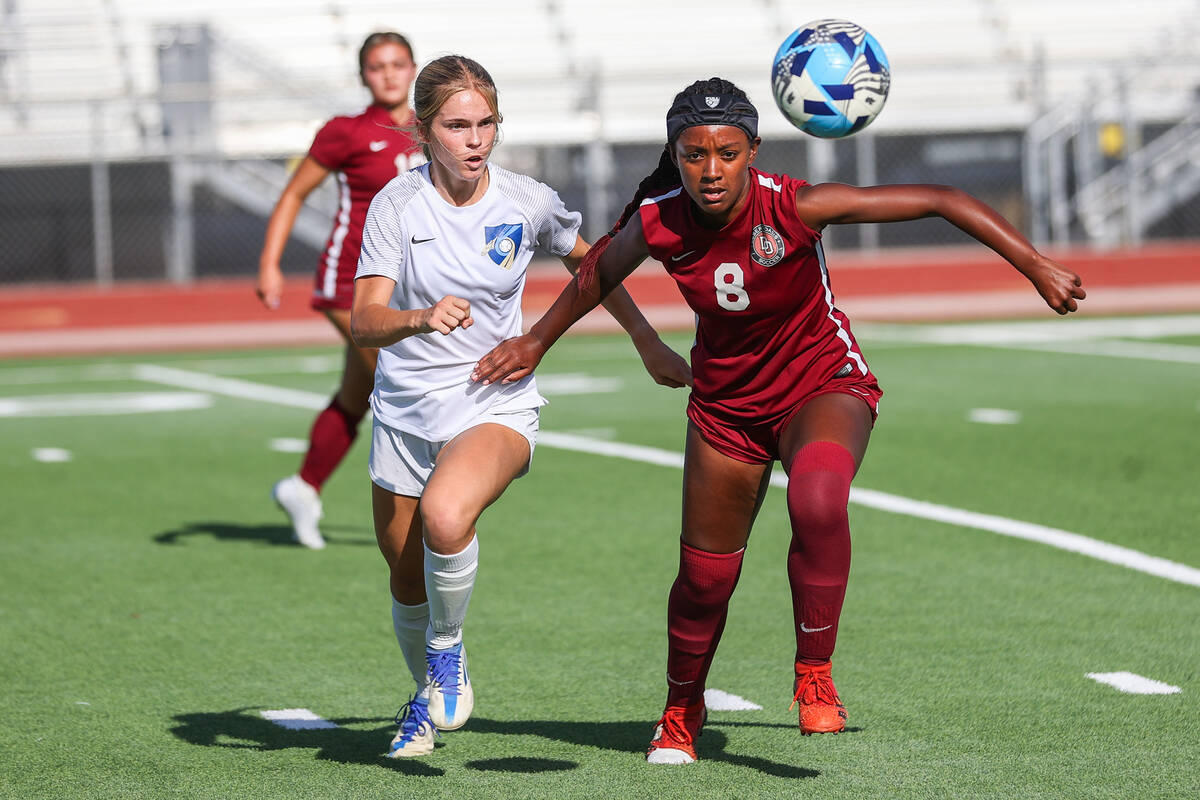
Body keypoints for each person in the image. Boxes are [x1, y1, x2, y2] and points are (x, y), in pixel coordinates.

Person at [472, 77, 1087, 764]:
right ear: (674, 154)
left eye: (728, 153)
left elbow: (941, 199)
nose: (712, 170)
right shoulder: (658, 219)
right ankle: (681, 710)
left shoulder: (797, 206)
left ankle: (814, 673)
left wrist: (1036, 265)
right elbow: (595, 274)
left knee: (818, 497)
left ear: (754, 151)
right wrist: (536, 340)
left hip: (822, 385)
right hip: (726, 409)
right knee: (705, 581)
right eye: (695, 153)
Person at [349, 55, 691, 758]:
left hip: (492, 403)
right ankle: (425, 694)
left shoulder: (526, 200)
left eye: (485, 124)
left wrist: (646, 339)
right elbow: (363, 322)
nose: (474, 140)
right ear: (424, 131)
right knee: (405, 577)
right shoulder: (397, 205)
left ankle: (448, 654)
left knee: (447, 518)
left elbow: (592, 263)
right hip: (404, 416)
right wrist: (417, 318)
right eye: (456, 126)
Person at [257, 32, 424, 549]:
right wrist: (269, 263)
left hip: (406, 280)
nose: (389, 74)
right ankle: (426, 510)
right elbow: (294, 193)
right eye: (377, 66)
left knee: (356, 397)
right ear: (363, 76)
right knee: (398, 381)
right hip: (348, 280)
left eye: (398, 64)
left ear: (414, 67)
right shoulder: (345, 131)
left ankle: (302, 488)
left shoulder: (436, 126)